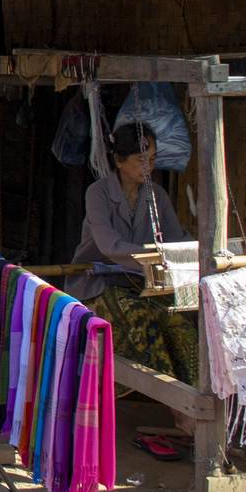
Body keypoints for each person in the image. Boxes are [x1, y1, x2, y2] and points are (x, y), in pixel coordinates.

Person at [70, 121, 198, 387]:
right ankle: (174, 405)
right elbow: (109, 245)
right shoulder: (98, 194)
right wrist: (154, 257)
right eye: (141, 160)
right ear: (119, 161)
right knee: (143, 321)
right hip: (99, 282)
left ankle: (195, 399)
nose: (148, 167)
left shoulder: (157, 196)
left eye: (152, 159)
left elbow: (176, 238)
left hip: (142, 284)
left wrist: (201, 252)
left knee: (181, 324)